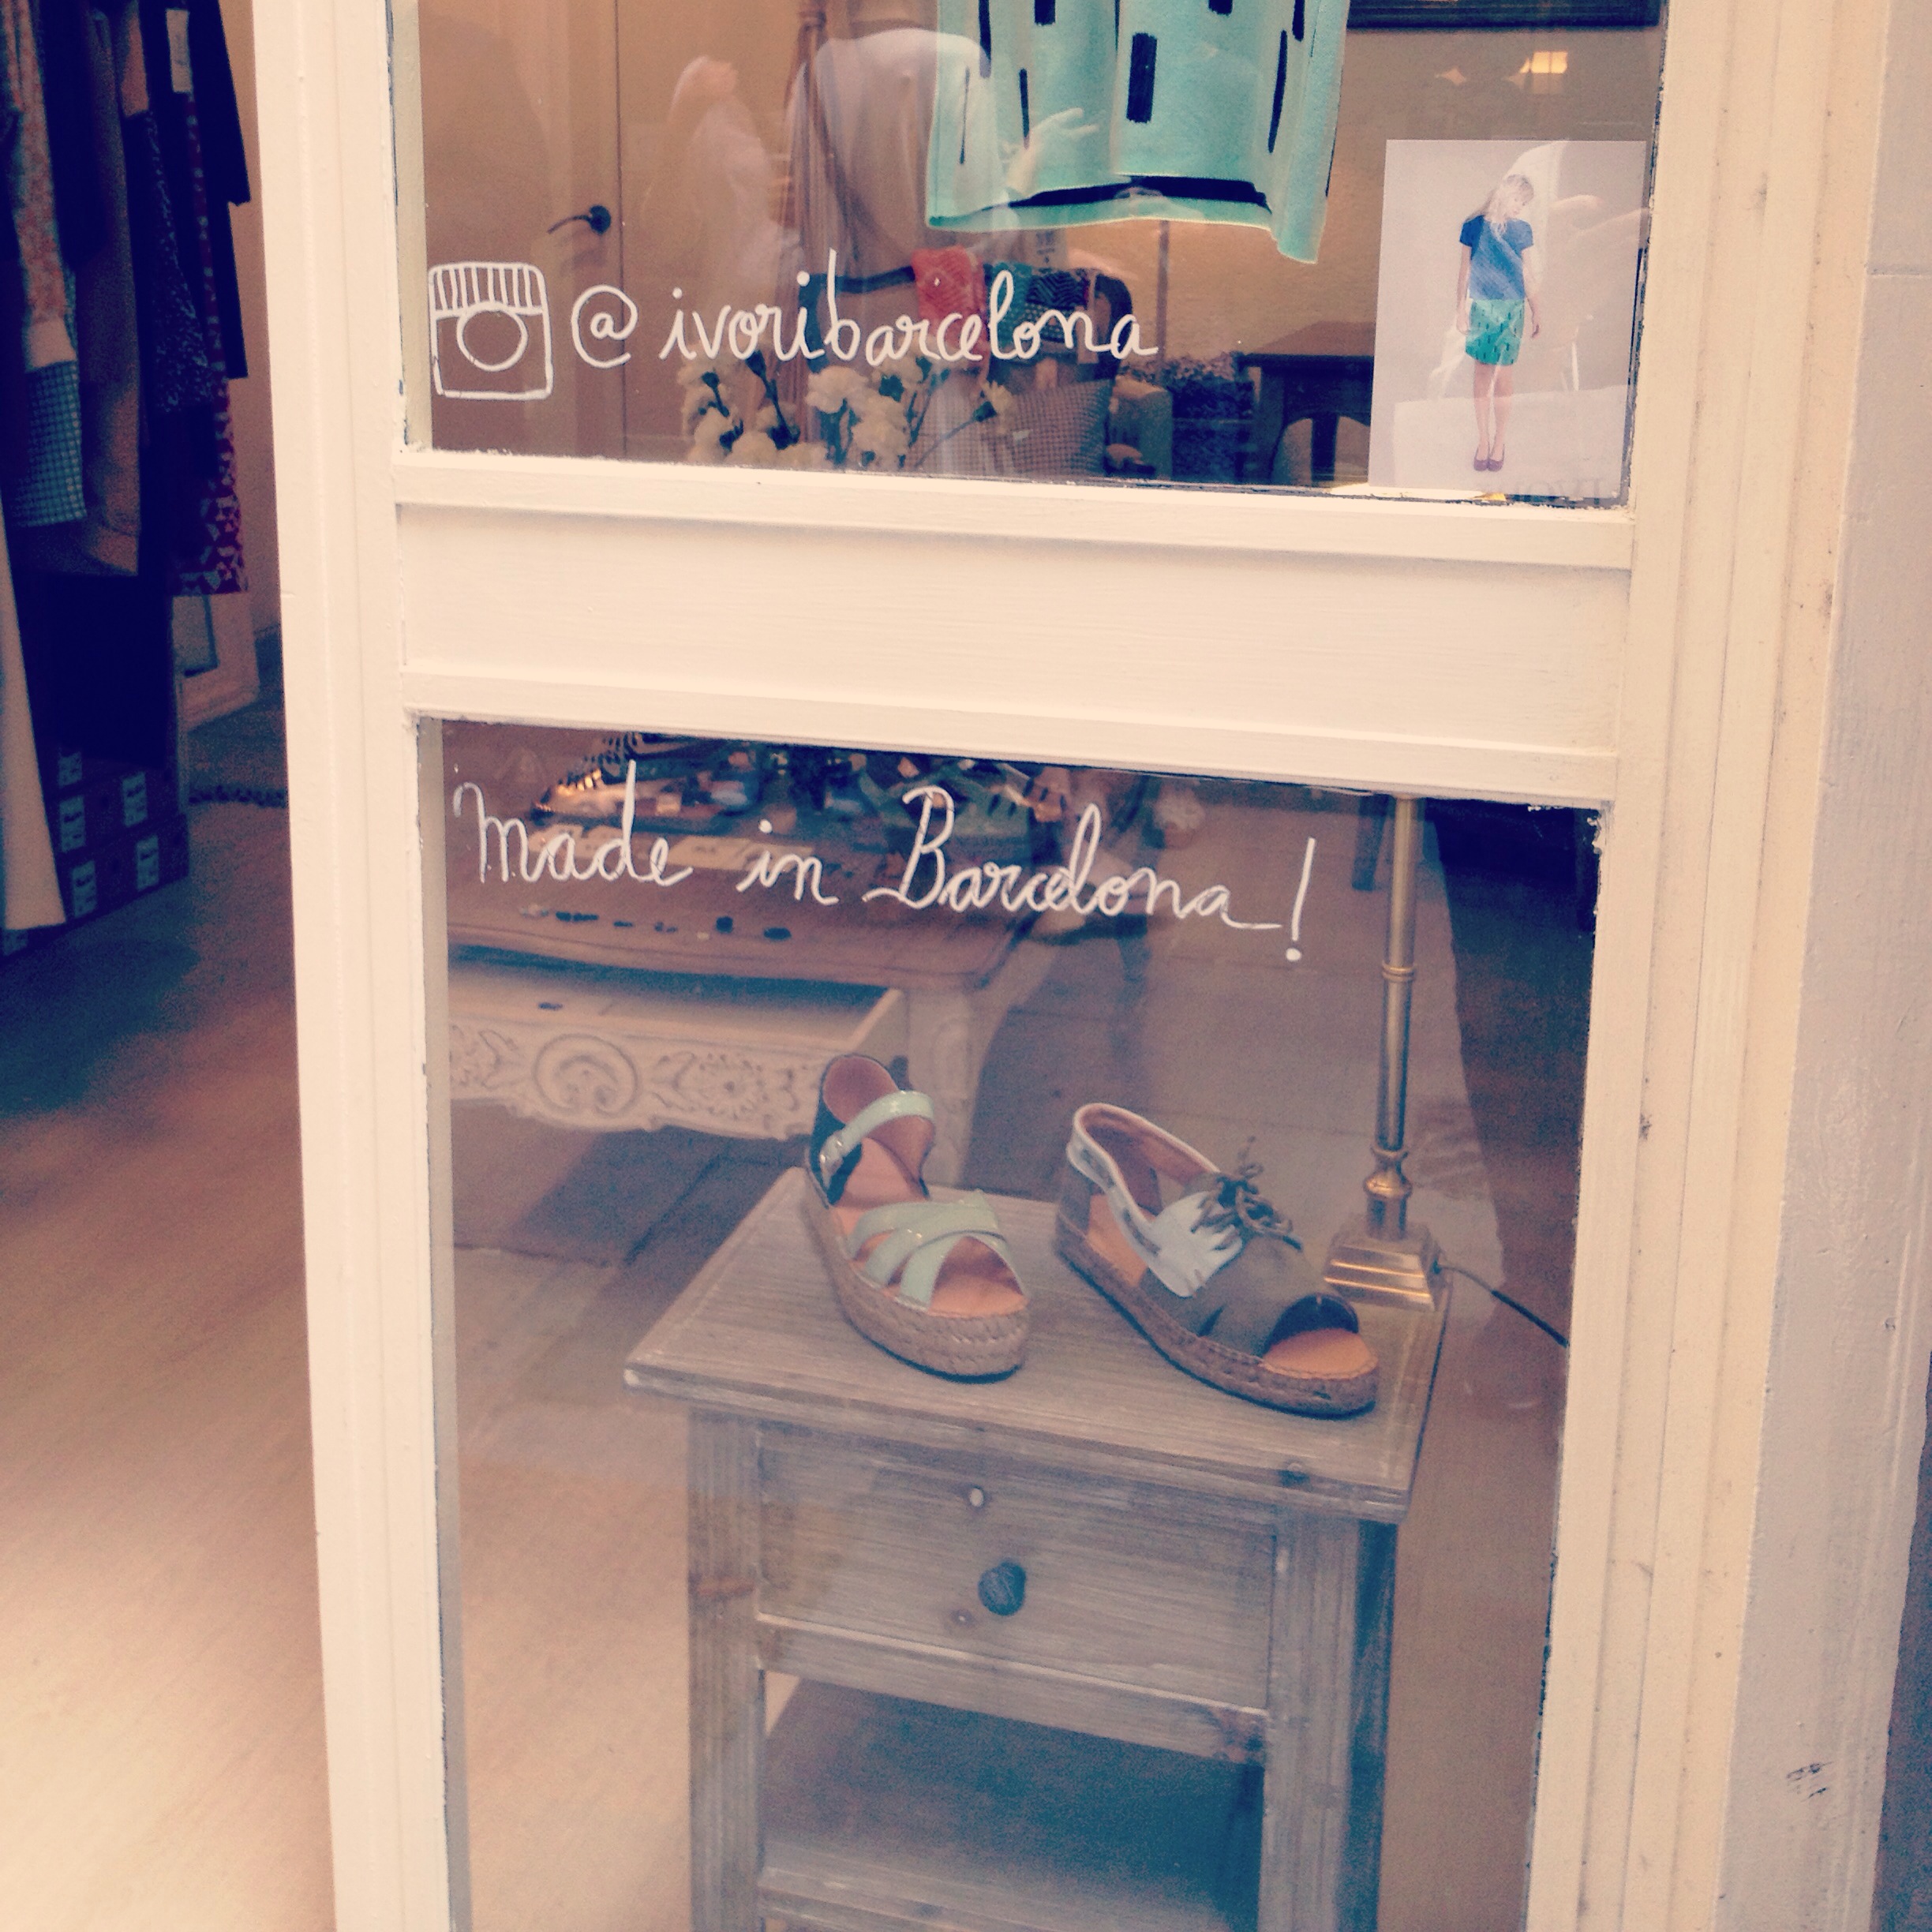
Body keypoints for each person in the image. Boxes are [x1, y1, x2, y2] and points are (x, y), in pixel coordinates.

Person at [1457, 174, 1541, 474]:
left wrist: (1537, 310)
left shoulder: (1521, 230)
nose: (1519, 206)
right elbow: (1465, 271)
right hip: (1482, 307)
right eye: (1517, 199)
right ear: (1504, 193)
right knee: (1482, 373)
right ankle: (1483, 439)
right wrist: (1459, 308)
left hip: (1511, 309)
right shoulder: (1474, 226)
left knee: (1504, 375)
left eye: (1524, 202)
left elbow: (1528, 274)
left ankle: (1499, 441)